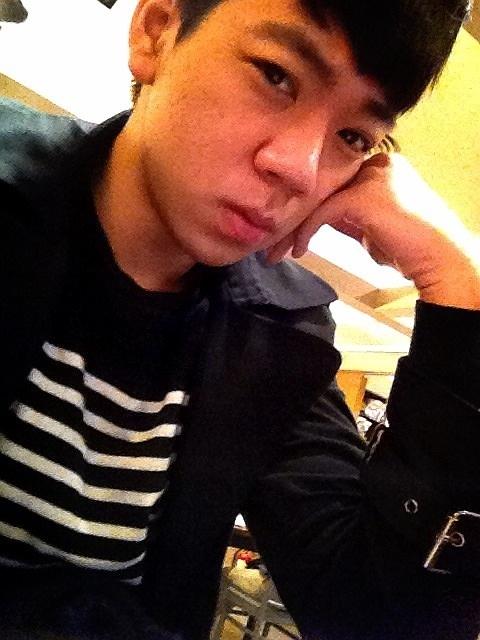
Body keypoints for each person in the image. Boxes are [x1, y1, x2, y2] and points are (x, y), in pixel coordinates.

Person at [0, 0, 479, 638]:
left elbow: (378, 617)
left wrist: (462, 286)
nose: (300, 169)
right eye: (277, 75)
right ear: (157, 31)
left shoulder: (283, 334)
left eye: (354, 137)